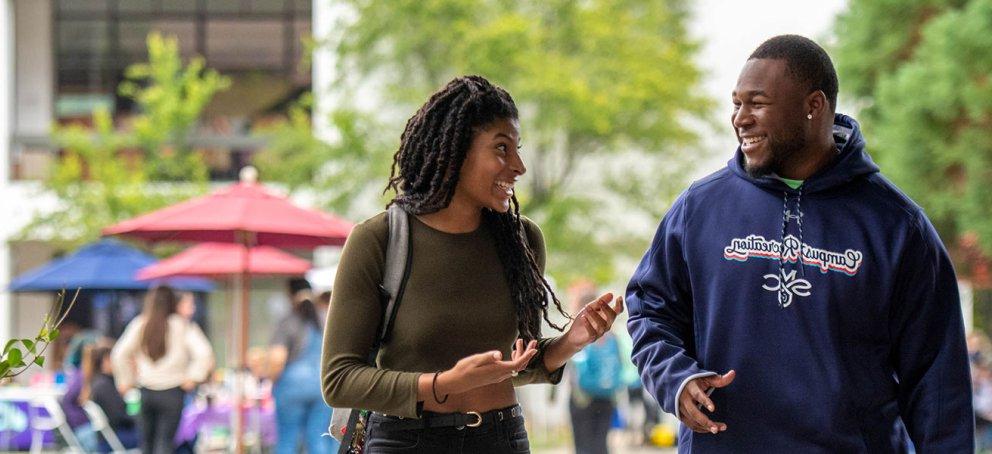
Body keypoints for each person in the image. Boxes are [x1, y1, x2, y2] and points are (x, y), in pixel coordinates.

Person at [625, 35, 974, 452]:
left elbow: (938, 382)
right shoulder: (698, 209)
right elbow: (649, 309)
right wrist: (674, 378)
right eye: (736, 104)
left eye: (757, 103)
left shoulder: (897, 225)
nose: (740, 118)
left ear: (813, 106)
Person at [322, 75, 624, 453]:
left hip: (502, 437)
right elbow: (339, 379)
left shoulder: (522, 242)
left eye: (517, 149)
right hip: (406, 440)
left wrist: (571, 340)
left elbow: (518, 363)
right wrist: (443, 383)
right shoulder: (380, 240)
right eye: (502, 148)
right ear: (456, 153)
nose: (518, 166)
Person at [111, 285, 215, 454]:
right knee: (165, 442)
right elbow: (205, 353)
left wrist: (125, 381)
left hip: (145, 391)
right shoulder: (181, 325)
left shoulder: (140, 323)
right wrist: (193, 377)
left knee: (146, 443)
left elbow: (119, 353)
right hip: (173, 392)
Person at [268, 278, 336, 454]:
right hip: (322, 387)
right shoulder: (325, 319)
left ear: (290, 295)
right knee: (318, 439)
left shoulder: (288, 321)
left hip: (291, 388)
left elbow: (277, 359)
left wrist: (271, 379)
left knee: (287, 440)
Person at [567, 281, 623, 454]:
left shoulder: (576, 335)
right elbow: (619, 364)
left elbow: (570, 367)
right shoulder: (612, 336)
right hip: (607, 396)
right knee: (601, 445)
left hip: (582, 399)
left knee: (583, 446)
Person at [81, 344, 140, 452]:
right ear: (106, 360)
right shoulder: (103, 385)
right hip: (115, 438)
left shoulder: (99, 382)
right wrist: (141, 418)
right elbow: (118, 417)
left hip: (109, 437)